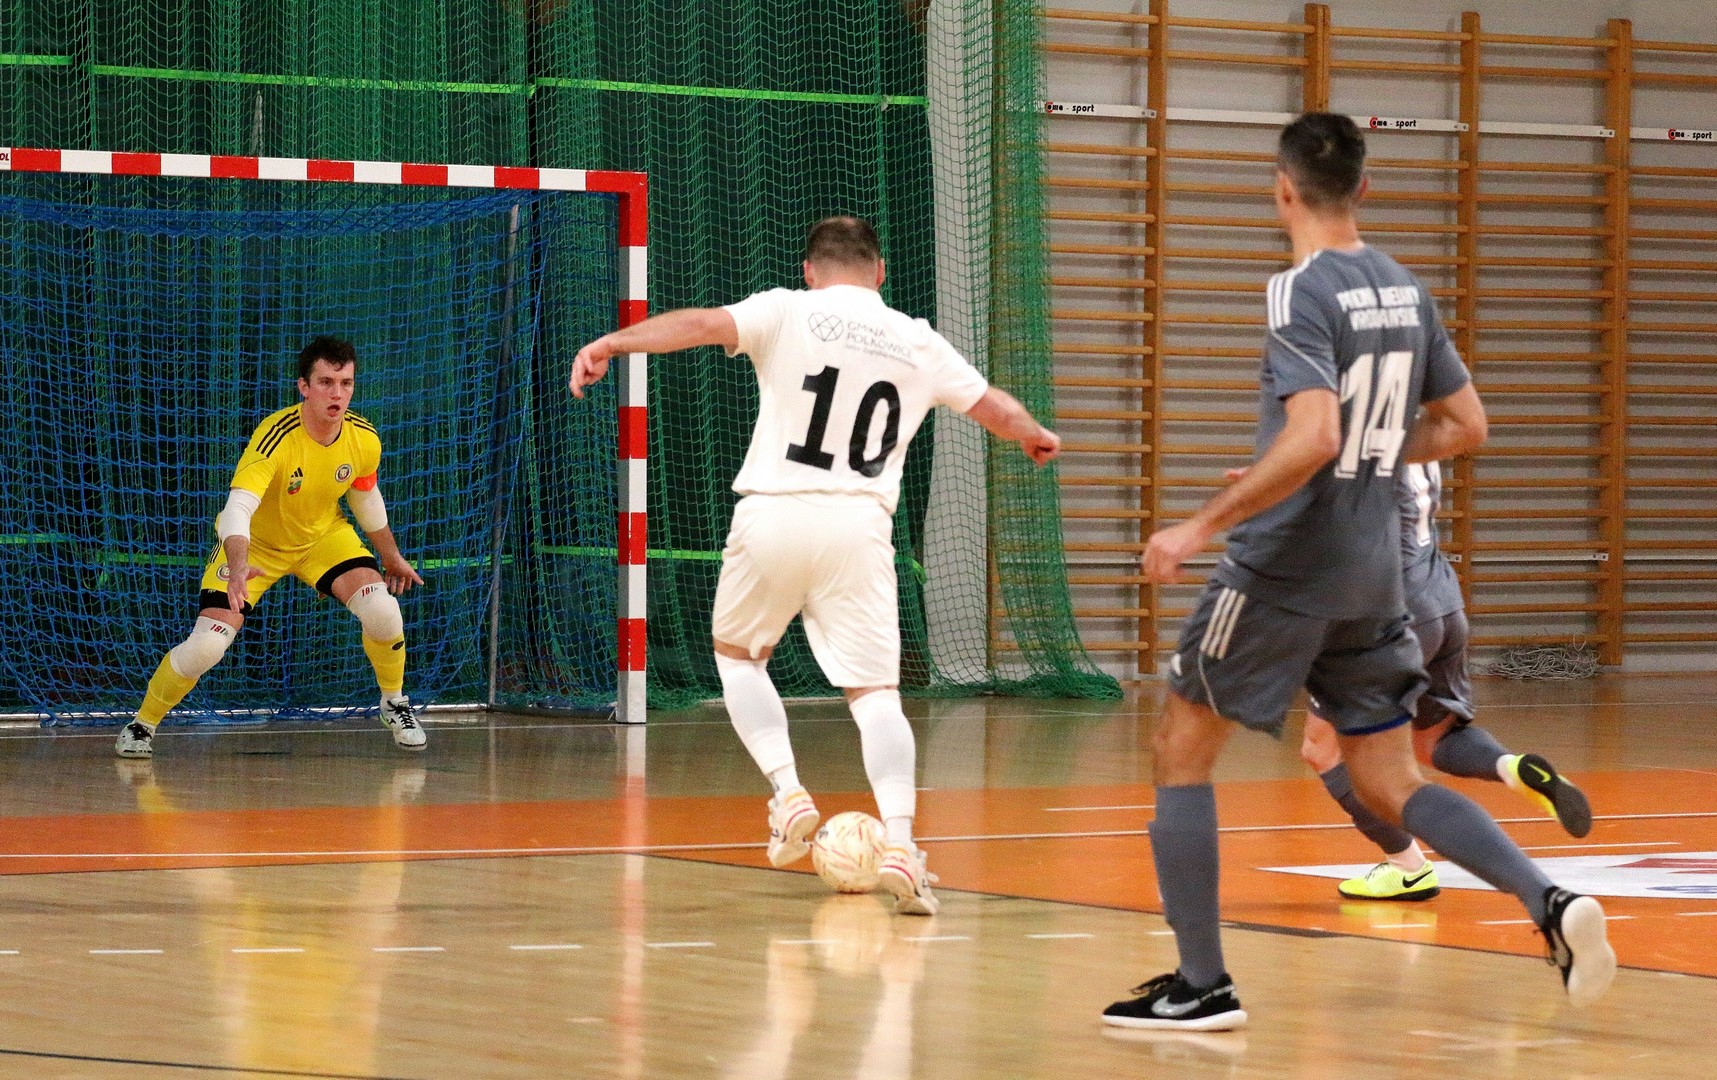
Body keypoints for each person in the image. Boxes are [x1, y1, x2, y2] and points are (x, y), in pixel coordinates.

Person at [1101, 114, 1615, 1032]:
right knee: (1389, 778)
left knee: (1180, 748)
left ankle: (1202, 983)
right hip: (1377, 573)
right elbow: (1465, 427)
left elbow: (1314, 434)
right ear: (1364, 189)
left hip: (1284, 568)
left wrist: (1198, 525)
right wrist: (1359, 458)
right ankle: (1548, 901)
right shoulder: (1406, 289)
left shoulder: (1298, 288)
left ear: (1281, 190)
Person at [570, 216, 1061, 915]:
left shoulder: (785, 309)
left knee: (739, 658)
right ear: (881, 271)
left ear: (808, 270)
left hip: (773, 513)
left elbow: (699, 324)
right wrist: (1034, 434)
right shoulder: (917, 339)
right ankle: (901, 846)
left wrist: (613, 342)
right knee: (876, 696)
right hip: (859, 527)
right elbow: (993, 408)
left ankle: (789, 791)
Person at [117, 336, 426, 758]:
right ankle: (142, 724)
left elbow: (364, 495)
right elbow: (237, 508)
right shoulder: (275, 436)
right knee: (208, 645)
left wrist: (391, 556)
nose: (337, 394)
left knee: (383, 610)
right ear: (304, 387)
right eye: (326, 382)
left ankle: (394, 703)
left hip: (322, 537)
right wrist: (238, 565)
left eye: (346, 383)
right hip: (257, 546)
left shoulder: (363, 438)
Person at [1303, 460, 1592, 901]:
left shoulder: (1360, 445)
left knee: (1323, 750)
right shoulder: (1416, 438)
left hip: (1390, 613)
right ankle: (1510, 768)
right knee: (1434, 738)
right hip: (1440, 599)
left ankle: (1406, 867)